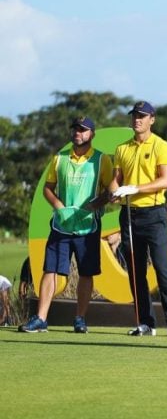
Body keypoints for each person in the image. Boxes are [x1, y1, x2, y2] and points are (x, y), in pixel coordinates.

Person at [19, 117, 112, 334]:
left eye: (83, 130)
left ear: (92, 134)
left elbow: (109, 191)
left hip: (87, 226)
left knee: (86, 272)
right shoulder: (59, 158)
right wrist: (58, 205)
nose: (77, 133)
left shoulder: (101, 160)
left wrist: (94, 205)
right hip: (61, 225)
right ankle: (41, 319)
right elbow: (48, 188)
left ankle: (80, 318)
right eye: (75, 129)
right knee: (50, 269)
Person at [109, 101, 167, 337]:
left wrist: (134, 189)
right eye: (134, 116)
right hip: (130, 215)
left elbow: (164, 180)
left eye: (142, 116)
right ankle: (146, 322)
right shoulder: (122, 148)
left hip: (154, 214)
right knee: (135, 269)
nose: (137, 120)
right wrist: (115, 191)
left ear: (152, 119)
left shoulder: (161, 146)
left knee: (162, 266)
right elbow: (116, 178)